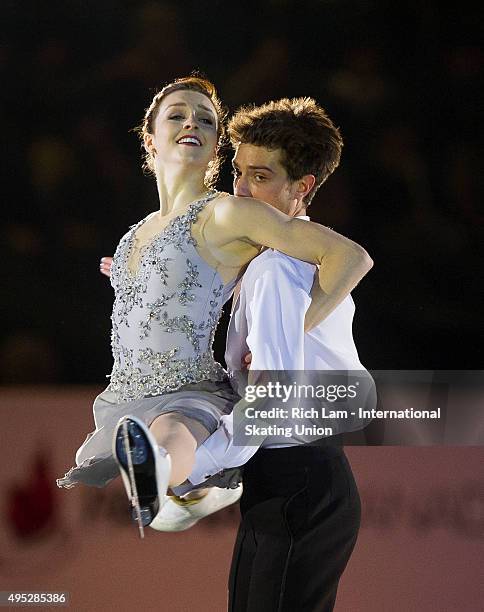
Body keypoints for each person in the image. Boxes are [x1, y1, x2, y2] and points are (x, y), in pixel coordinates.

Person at [57, 76, 373, 541]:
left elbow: (349, 256)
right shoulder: (135, 234)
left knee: (170, 435)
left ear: (214, 148)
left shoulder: (229, 212)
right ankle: (185, 493)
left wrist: (300, 325)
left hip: (189, 388)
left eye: (205, 119)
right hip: (126, 391)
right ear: (150, 138)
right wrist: (128, 274)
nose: (192, 122)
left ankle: (166, 479)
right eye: (178, 114)